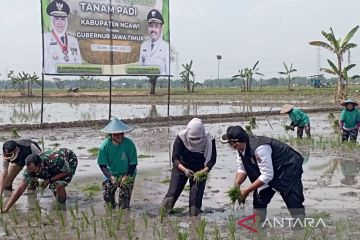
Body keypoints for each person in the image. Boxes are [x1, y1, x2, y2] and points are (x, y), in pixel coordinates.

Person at [220, 125, 305, 223]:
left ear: (235, 144)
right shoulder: (240, 149)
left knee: (294, 203)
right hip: (270, 170)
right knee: (259, 200)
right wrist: (236, 185)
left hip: (288, 168)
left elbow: (267, 175)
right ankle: (258, 227)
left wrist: (246, 191)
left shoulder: (260, 148)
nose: (230, 146)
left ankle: (300, 231)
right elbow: (242, 169)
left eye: (230, 143)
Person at [161, 118, 216, 216]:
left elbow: (212, 159)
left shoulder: (209, 139)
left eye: (197, 138)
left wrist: (204, 171)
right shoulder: (181, 137)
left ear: (202, 134)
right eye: (192, 139)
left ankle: (194, 222)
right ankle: (162, 216)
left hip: (200, 170)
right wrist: (185, 170)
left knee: (195, 204)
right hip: (181, 168)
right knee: (172, 195)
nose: (195, 141)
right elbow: (175, 158)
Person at [2, 148, 78, 212]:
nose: (31, 172)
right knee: (54, 188)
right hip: (50, 167)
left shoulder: (56, 160)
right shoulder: (29, 170)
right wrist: (7, 208)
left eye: (33, 170)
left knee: (59, 184)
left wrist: (49, 180)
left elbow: (67, 171)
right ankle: (59, 199)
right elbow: (20, 189)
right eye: (29, 170)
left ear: (40, 165)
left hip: (68, 161)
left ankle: (61, 208)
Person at [97, 117, 138, 209]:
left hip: (127, 173)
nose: (119, 136)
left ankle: (123, 212)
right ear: (111, 134)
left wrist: (126, 176)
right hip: (111, 174)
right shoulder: (105, 146)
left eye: (121, 133)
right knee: (108, 200)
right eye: (116, 134)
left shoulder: (129, 144)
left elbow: (133, 164)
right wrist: (111, 177)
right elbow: (102, 165)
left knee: (124, 204)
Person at [44, 0, 82, 74]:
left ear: (66, 21)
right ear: (52, 21)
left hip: (73, 78)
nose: (60, 22)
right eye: (57, 19)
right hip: (52, 77)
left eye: (63, 19)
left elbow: (79, 63)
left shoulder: (73, 40)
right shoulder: (45, 38)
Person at [138, 9, 170, 75]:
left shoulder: (166, 47)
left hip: (160, 83)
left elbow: (168, 71)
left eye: (156, 26)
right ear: (147, 28)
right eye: (151, 26)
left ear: (161, 29)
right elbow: (140, 68)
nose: (153, 29)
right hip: (146, 83)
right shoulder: (143, 45)